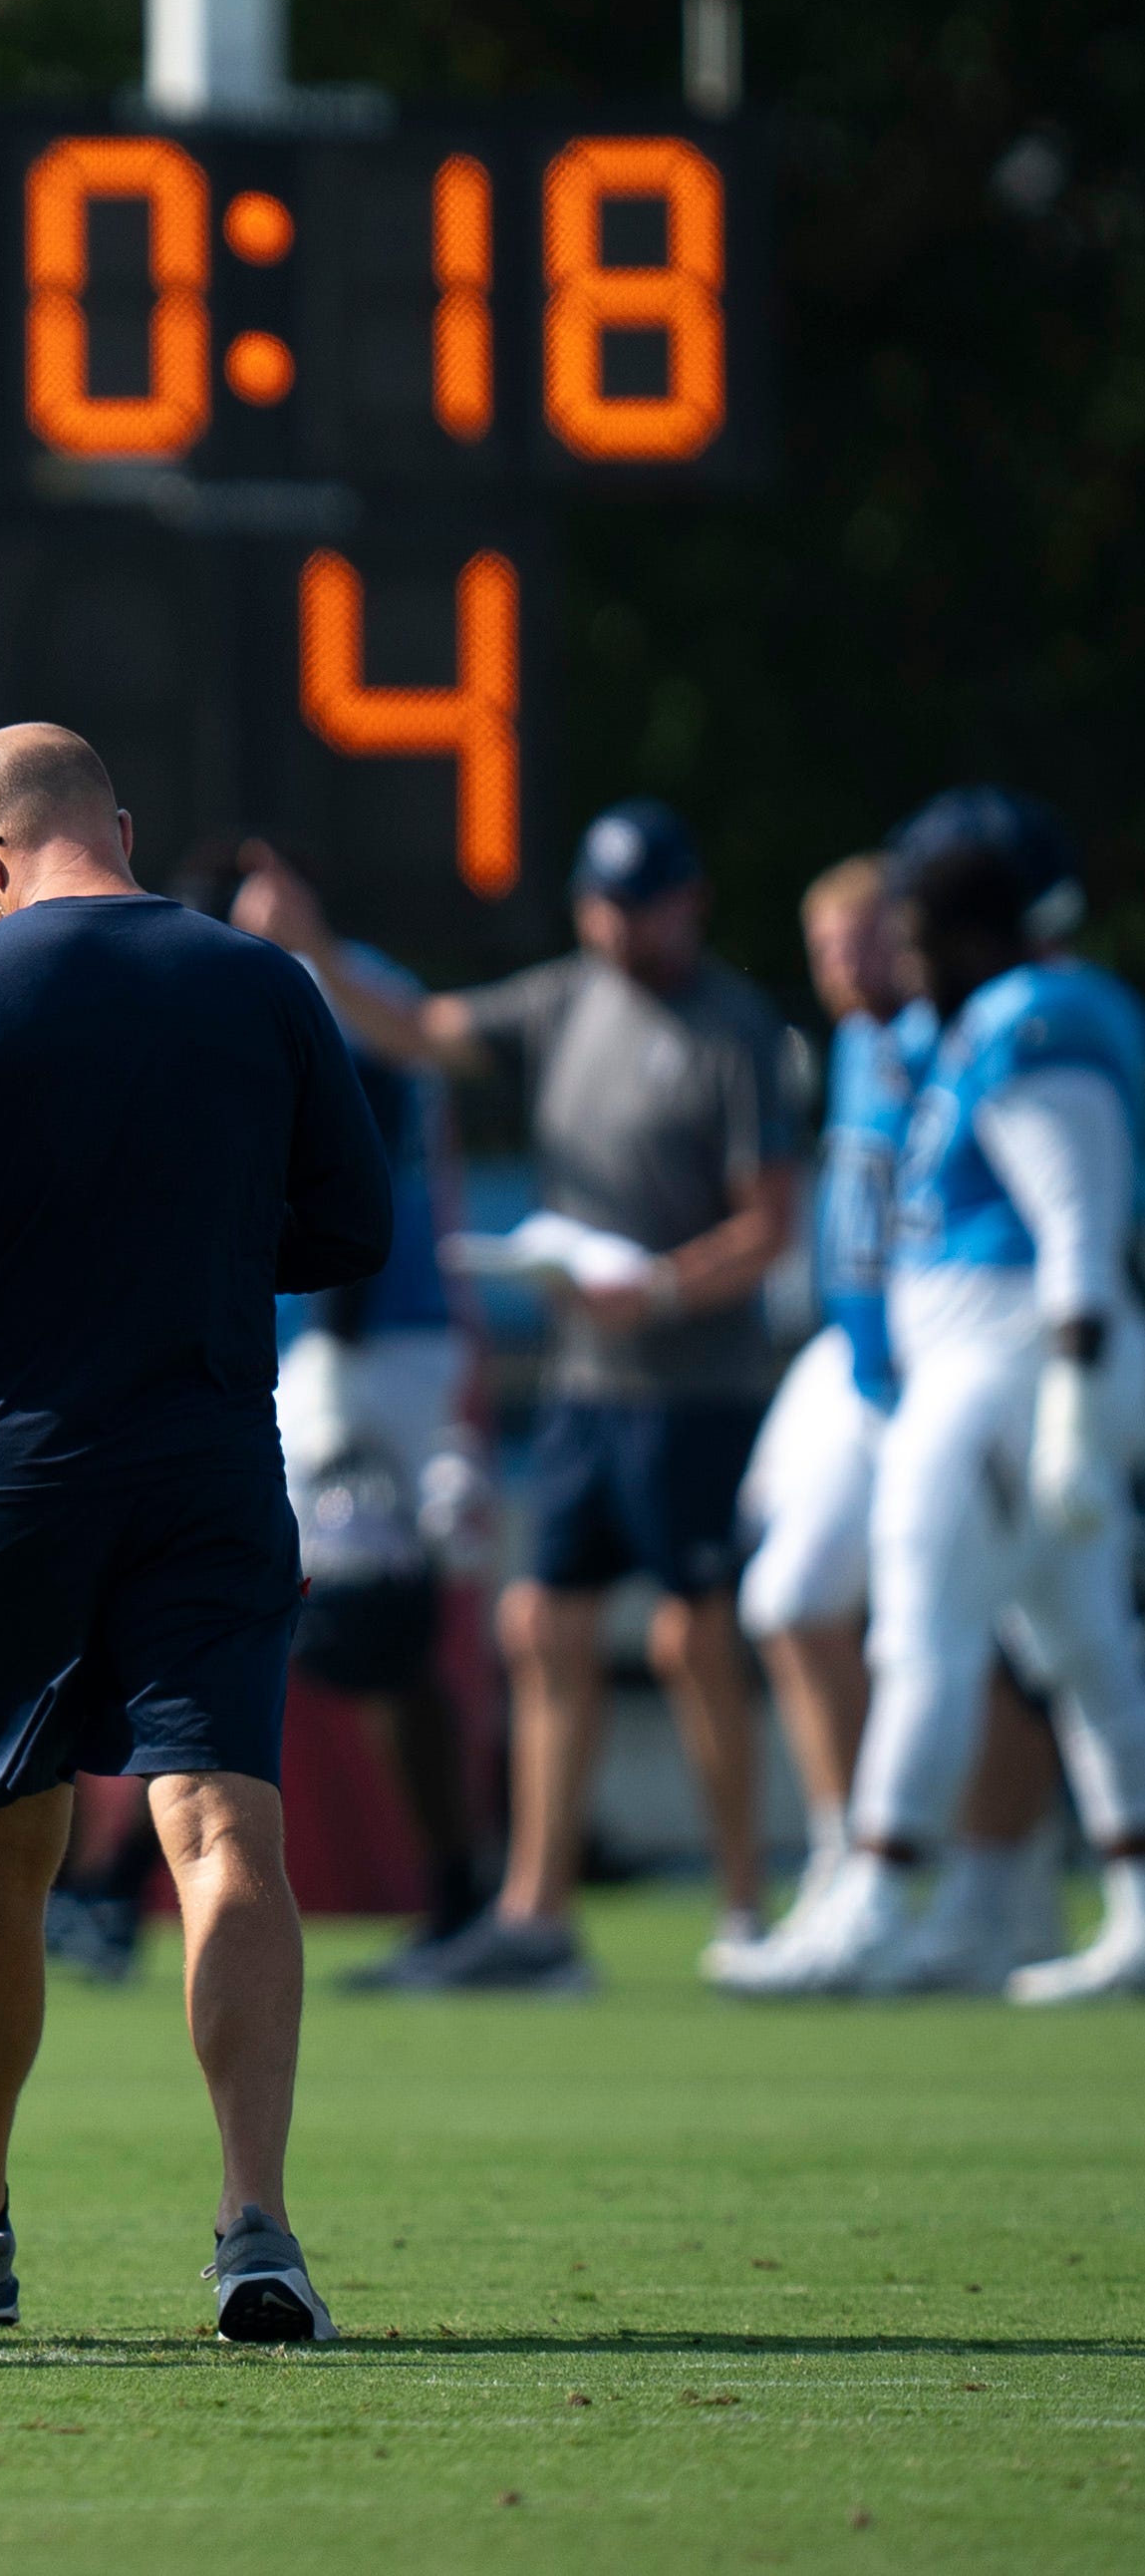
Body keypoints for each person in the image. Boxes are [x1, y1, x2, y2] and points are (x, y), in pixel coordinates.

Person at [0, 723, 389, 2342]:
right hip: (209, 1451)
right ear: (120, 827)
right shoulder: (263, 983)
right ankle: (254, 2226)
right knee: (223, 1831)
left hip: (8, 1468)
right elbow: (349, 1221)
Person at [284, 801, 798, 1991]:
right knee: (541, 1626)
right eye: (606, 906)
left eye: (646, 904)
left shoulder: (732, 1027)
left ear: (690, 901)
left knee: (694, 1636)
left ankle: (742, 1903)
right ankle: (538, 1911)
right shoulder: (568, 999)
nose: (625, 930)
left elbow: (769, 1222)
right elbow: (416, 1030)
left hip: (693, 1383)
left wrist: (664, 1288)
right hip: (587, 1382)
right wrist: (314, 955)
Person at [720, 792, 1145, 2001]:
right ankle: (1133, 1901)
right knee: (1085, 1651)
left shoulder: (1030, 1018)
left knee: (922, 1633)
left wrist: (1069, 1395)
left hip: (999, 1364)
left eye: (912, 928)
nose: (896, 955)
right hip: (1007, 1364)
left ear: (964, 929)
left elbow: (1074, 1224)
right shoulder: (1005, 1018)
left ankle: (870, 1898)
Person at [182, 842, 490, 1988]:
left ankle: (466, 1889)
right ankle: (459, 1890)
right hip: (317, 1345)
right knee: (336, 1624)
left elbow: (413, 1071)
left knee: (365, 1621)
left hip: (378, 1341)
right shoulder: (256, 986)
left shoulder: (341, 983)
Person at [712, 851, 929, 1964]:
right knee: (790, 1597)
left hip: (949, 1356)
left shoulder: (954, 1034)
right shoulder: (851, 1045)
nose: (849, 964)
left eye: (869, 938)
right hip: (855, 1361)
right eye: (830, 945)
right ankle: (852, 1855)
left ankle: (993, 1877)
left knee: (996, 1636)